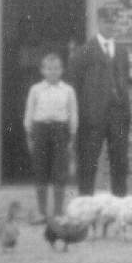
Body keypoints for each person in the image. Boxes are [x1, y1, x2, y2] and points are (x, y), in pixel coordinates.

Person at [69, 6, 132, 197]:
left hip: (118, 115)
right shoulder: (84, 51)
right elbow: (75, 87)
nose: (110, 26)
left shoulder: (121, 51)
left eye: (114, 22)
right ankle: (86, 204)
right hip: (92, 117)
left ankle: (119, 205)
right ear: (99, 23)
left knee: (119, 161)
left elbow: (124, 81)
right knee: (88, 161)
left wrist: (125, 109)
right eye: (106, 22)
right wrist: (82, 114)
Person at [23, 52, 78, 220]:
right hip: (40, 129)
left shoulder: (68, 90)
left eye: (56, 69)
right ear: (42, 71)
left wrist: (72, 135)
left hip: (61, 130)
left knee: (60, 170)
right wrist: (29, 134)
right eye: (49, 69)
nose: (52, 72)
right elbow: (29, 113)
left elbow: (73, 113)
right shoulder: (36, 90)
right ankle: (41, 212)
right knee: (40, 169)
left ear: (61, 70)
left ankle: (59, 212)